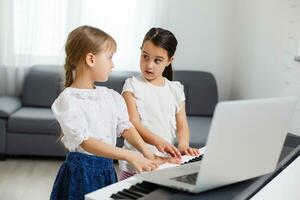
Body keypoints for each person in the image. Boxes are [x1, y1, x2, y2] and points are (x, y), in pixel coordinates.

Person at [50, 25, 160, 200]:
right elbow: (85, 142)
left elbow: (126, 127)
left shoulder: (110, 96)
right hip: (80, 177)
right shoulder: (68, 100)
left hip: (107, 172)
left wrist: (147, 153)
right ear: (91, 59)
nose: (113, 64)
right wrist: (130, 155)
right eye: (109, 57)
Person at [119, 27, 200, 180]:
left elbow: (182, 126)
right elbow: (133, 123)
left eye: (157, 60)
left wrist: (183, 146)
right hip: (136, 164)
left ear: (170, 61)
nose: (149, 65)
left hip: (164, 164)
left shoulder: (175, 89)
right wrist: (157, 141)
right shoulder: (132, 85)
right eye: (145, 56)